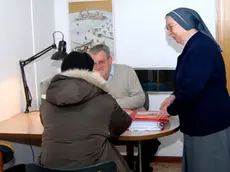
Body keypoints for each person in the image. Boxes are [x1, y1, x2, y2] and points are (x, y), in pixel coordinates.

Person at [158, 7, 230, 172]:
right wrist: (174, 96)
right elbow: (189, 81)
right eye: (167, 28)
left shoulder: (201, 48)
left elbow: (192, 89)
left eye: (171, 27)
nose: (169, 33)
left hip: (208, 123)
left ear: (185, 23)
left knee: (209, 165)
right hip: (200, 121)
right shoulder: (195, 46)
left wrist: (170, 109)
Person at [40, 52, 132, 172]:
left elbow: (45, 123)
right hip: (92, 168)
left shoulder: (47, 102)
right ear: (90, 72)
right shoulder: (104, 100)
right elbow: (122, 125)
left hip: (49, 169)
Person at [88, 44, 161, 172]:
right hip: (104, 123)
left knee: (151, 142)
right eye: (94, 63)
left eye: (101, 62)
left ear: (110, 60)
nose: (98, 67)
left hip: (130, 120)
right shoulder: (89, 77)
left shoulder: (127, 72)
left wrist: (112, 104)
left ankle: (140, 167)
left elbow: (140, 98)